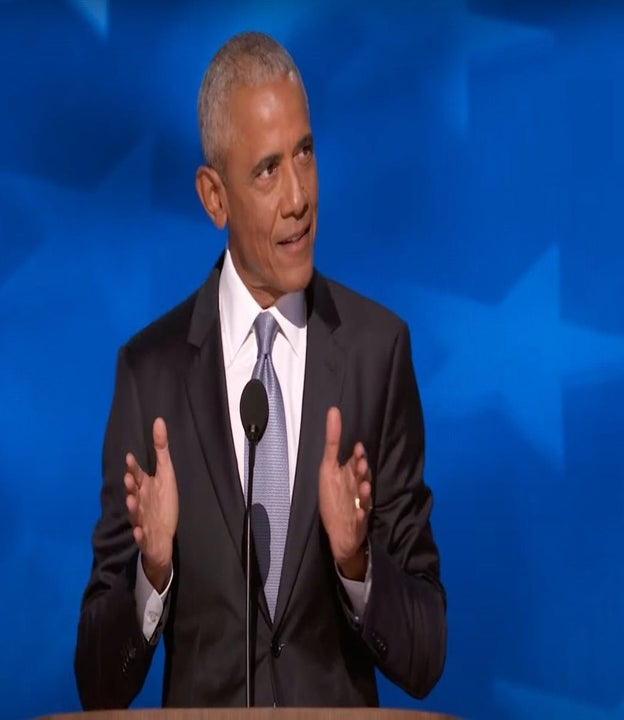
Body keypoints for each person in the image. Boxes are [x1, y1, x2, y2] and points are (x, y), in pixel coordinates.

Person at [74, 31, 446, 709]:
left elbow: (426, 655)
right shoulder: (149, 374)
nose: (299, 196)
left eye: (305, 153)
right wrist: (152, 575)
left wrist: (357, 564)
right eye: (267, 170)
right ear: (214, 197)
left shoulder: (375, 354)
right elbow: (98, 682)